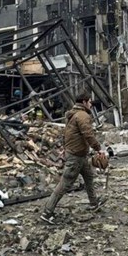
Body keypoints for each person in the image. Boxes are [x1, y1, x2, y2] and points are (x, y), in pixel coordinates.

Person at [40, 92, 106, 223]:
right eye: (90, 102)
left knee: (88, 177)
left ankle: (94, 203)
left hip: (79, 154)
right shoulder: (82, 116)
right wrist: (99, 149)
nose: (91, 104)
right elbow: (88, 134)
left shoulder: (73, 114)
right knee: (65, 184)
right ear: (84, 102)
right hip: (76, 156)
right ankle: (47, 212)